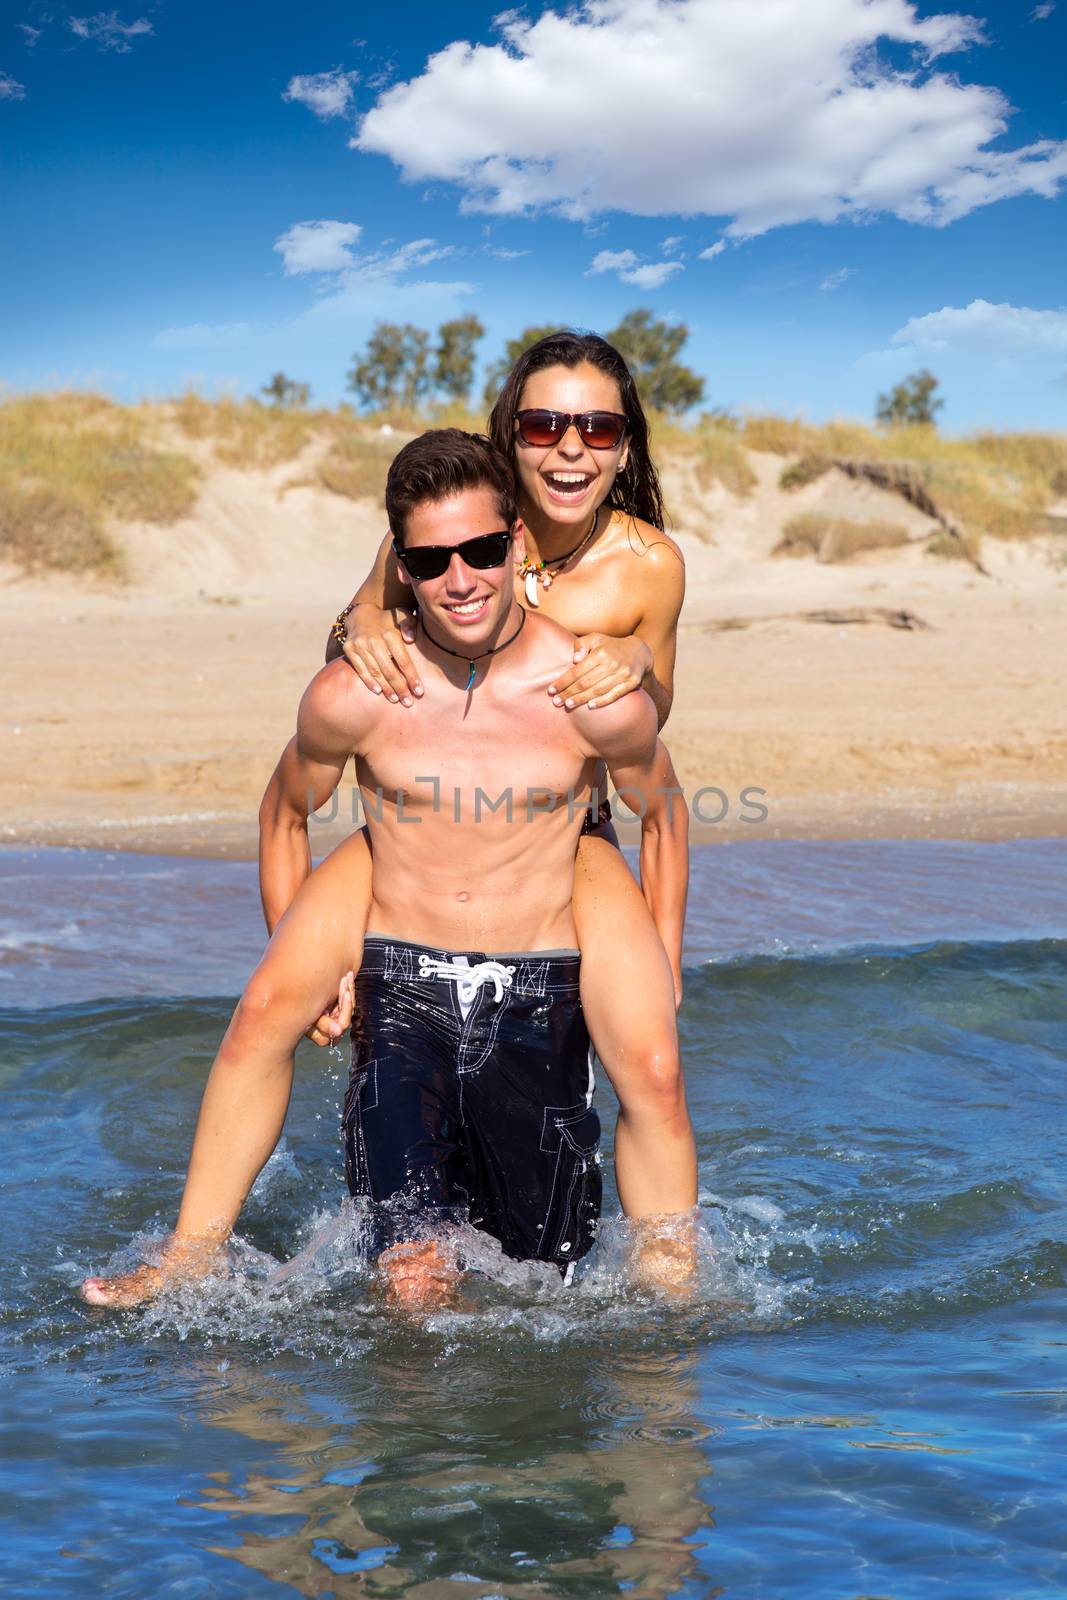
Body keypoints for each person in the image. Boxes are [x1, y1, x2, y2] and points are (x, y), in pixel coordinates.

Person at [81, 431, 696, 1311]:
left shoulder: (587, 696)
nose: (461, 579)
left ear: (516, 546)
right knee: (411, 1282)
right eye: (431, 559)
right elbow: (281, 812)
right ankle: (189, 1256)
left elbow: (665, 815)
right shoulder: (359, 692)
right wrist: (307, 955)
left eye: (482, 551)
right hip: (403, 965)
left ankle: (672, 1295)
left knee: (546, 1286)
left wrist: (664, 961)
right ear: (401, 567)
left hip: (540, 966)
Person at [260, 332, 688, 1107]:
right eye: (541, 426)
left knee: (627, 1065)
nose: (569, 449)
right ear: (508, 434)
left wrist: (636, 661)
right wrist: (355, 620)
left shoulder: (650, 565)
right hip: (426, 823)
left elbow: (651, 715)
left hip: (565, 826)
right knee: (320, 1034)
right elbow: (357, 635)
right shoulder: (456, 524)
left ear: (624, 447)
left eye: (596, 427)